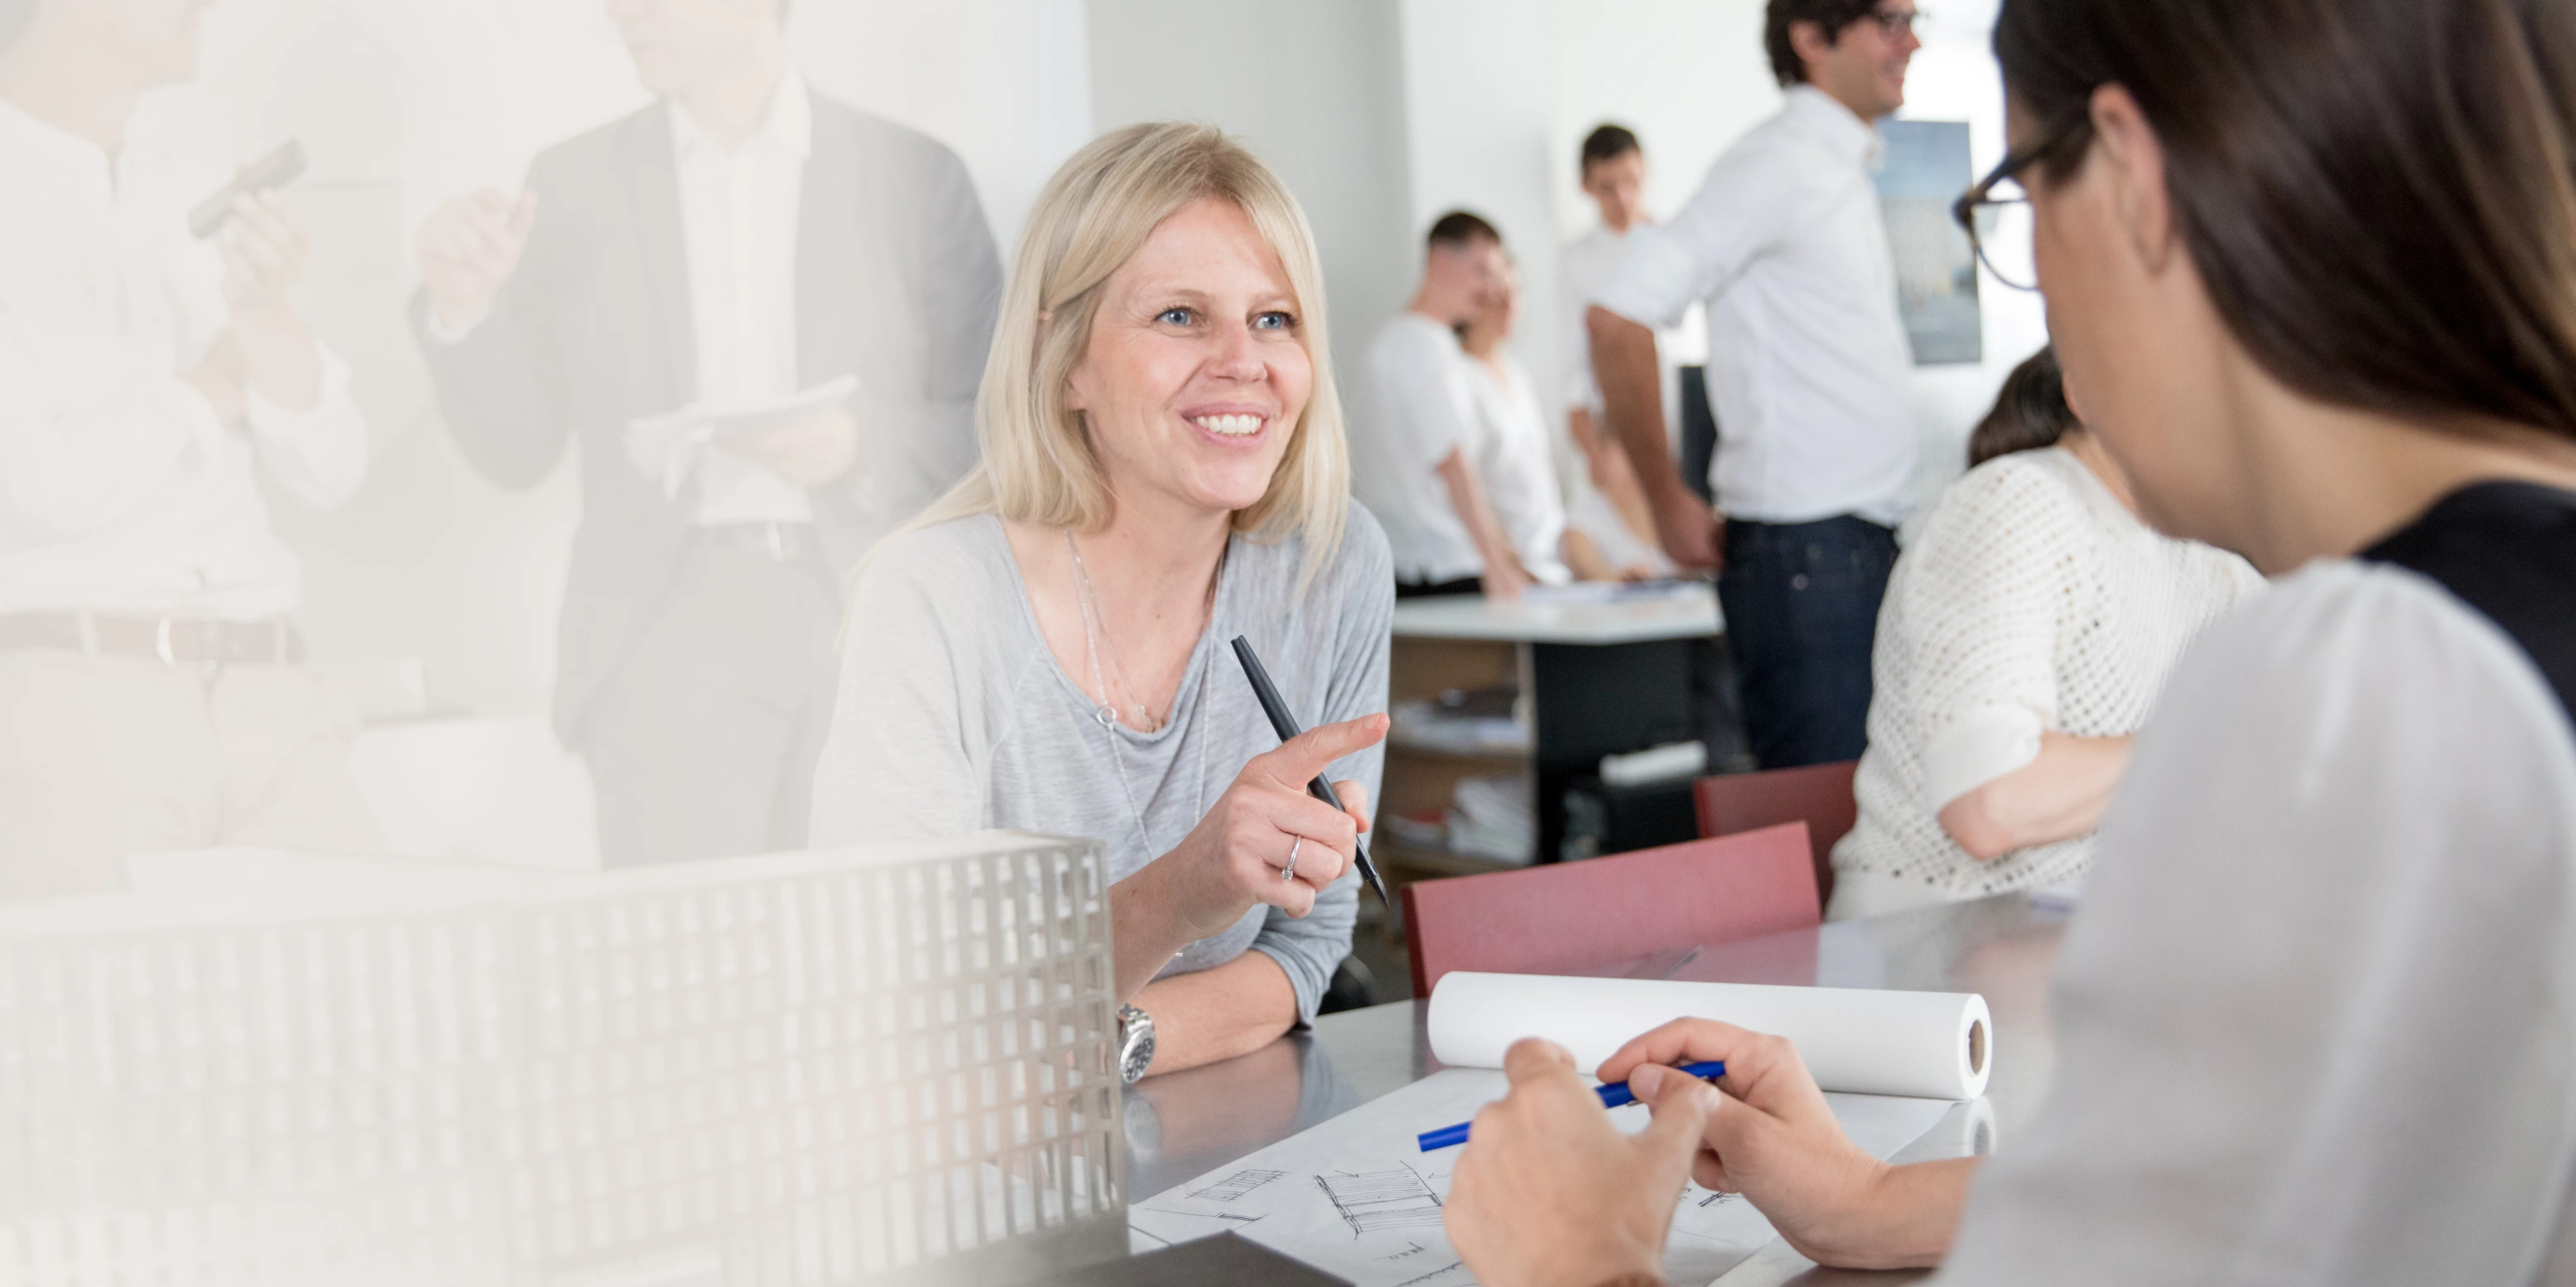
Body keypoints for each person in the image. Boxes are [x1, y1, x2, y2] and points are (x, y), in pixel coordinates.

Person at [1445, 0, 2576, 1280]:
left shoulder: (2364, 684)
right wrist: (1869, 1199)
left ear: (2129, 178)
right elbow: (2257, 1185)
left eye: (2015, 196)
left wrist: (1581, 1258)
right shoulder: (2469, 629)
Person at [808, 123, 1390, 1079]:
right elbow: (897, 1019)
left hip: (1215, 1137)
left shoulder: (1332, 562)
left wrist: (1112, 1040)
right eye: (1179, 316)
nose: (1244, 361)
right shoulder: (934, 601)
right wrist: (1181, 894)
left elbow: (1306, 947)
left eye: (1275, 319)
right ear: (1067, 360)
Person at [410, 0, 1002, 867]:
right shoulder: (571, 183)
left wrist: (862, 443)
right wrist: (463, 310)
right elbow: (515, 447)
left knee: (878, 965)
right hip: (669, 627)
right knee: (696, 977)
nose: (622, 12)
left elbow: (1003, 423)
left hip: (880, 612)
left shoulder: (917, 174)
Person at [0, 0, 380, 897]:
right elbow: (38, 488)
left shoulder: (192, 181)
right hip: (81, 701)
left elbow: (332, 464)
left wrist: (265, 316)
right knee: (111, 1026)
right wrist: (212, 386)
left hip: (272, 690)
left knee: (367, 1007)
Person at [1587, 0, 1922, 768]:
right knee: (1822, 827)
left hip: (1852, 547)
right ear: (1811, 40)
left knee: (1865, 824)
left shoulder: (1840, 167)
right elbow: (1616, 320)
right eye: (1888, 21)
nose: (1911, 41)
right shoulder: (1779, 164)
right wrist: (1665, 497)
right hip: (1806, 557)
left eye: (1914, 19)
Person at [1825, 347, 2262, 917]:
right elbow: (1991, 802)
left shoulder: (2208, 557)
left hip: (2104, 939)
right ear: (2082, 393)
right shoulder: (2016, 502)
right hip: (1938, 944)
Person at [1355, 212, 1559, 599]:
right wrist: (1498, 565)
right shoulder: (1424, 347)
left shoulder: (1394, 343)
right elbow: (1454, 465)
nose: (1490, 289)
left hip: (1413, 564)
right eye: (1482, 271)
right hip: (1445, 569)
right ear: (1441, 262)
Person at [1558, 124, 1694, 581]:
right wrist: (1595, 453)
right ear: (1586, 188)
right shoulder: (1576, 261)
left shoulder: (1670, 243)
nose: (1623, 198)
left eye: (1632, 182)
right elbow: (1574, 366)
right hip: (1613, 429)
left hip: (1678, 420)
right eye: (1607, 187)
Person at [1454, 265, 1585, 583]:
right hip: (1510, 566)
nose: (1510, 307)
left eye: (1516, 294)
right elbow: (1462, 483)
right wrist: (1504, 560)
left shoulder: (1517, 376)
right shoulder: (1458, 377)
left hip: (1553, 560)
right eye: (1500, 296)